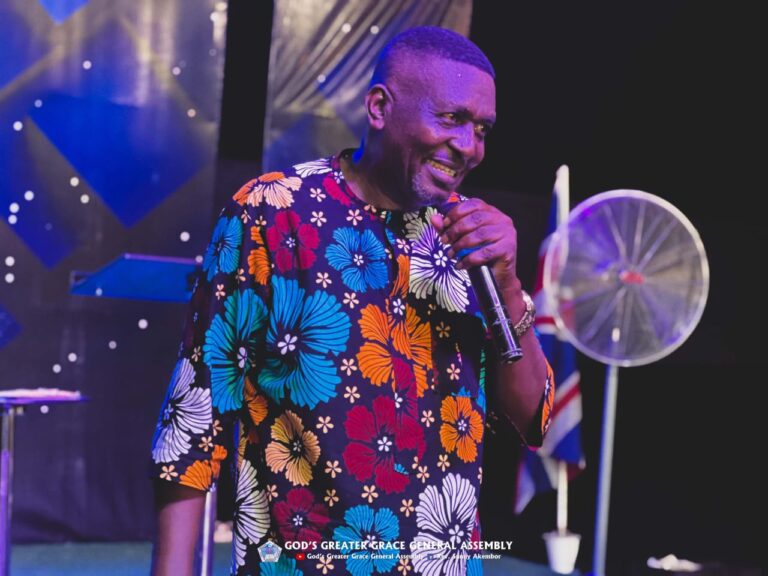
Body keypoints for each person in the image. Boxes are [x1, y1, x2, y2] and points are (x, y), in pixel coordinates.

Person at [150, 25, 554, 576]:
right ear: (380, 107)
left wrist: (506, 285)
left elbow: (534, 419)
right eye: (451, 118)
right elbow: (195, 420)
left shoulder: (468, 238)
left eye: (482, 129)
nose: (469, 146)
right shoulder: (273, 212)